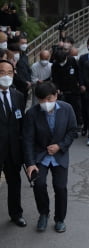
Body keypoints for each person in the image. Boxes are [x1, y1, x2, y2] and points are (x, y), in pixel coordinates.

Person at [24, 81, 78, 232]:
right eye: (42, 100)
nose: (46, 103)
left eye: (49, 98)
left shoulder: (67, 109)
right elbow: (27, 139)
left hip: (59, 154)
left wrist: (60, 145)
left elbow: (73, 131)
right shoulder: (32, 113)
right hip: (39, 155)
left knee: (60, 187)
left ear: (56, 95)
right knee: (39, 185)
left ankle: (60, 219)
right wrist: (30, 163)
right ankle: (43, 214)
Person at [0, 59, 26, 227]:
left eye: (10, 72)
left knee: (14, 182)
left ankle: (16, 213)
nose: (6, 76)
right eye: (2, 72)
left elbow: (21, 122)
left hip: (13, 149)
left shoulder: (18, 96)